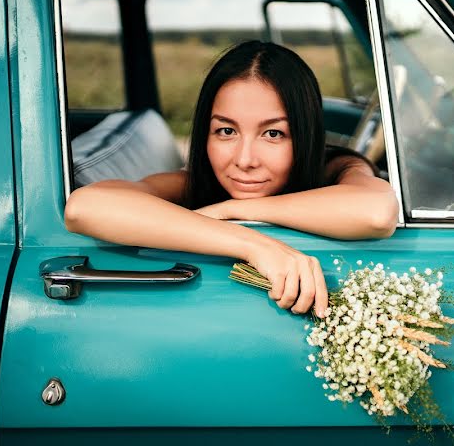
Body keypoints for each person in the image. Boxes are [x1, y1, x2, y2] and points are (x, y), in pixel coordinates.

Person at [64, 40, 398, 319]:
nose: (244, 160)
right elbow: (85, 207)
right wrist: (251, 243)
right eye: (226, 131)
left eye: (273, 133)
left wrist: (229, 209)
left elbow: (376, 212)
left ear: (306, 136)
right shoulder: (198, 181)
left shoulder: (334, 167)